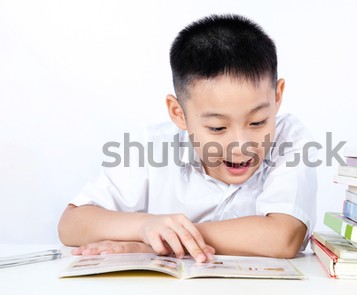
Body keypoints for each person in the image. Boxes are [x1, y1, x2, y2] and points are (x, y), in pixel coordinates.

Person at [58, 14, 317, 262]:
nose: (241, 146)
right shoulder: (152, 146)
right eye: (217, 128)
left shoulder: (290, 140)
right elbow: (71, 224)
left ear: (277, 96)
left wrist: (163, 241)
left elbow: (283, 237)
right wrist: (145, 226)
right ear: (178, 113)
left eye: (258, 122)